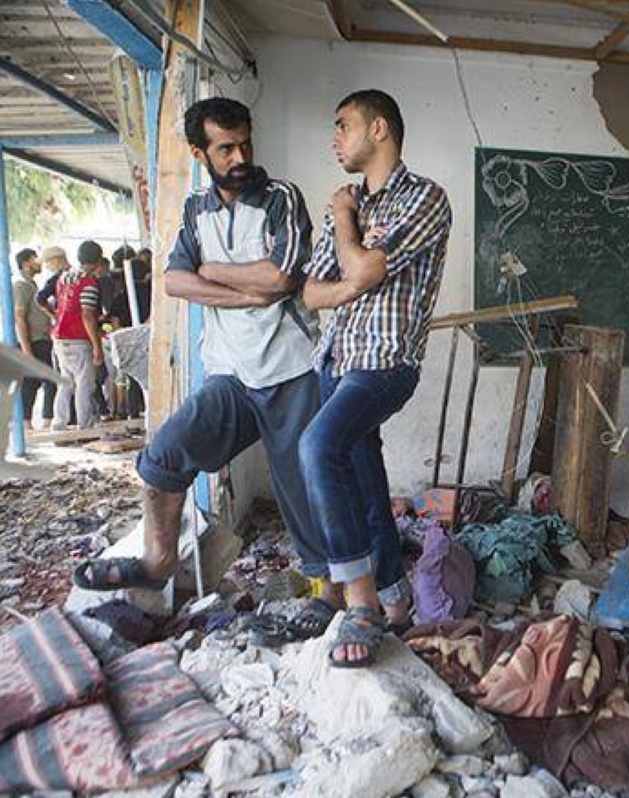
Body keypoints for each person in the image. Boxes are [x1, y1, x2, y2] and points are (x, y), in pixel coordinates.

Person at [71, 98, 332, 640]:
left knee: (302, 486)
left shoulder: (281, 197)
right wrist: (244, 292)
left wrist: (211, 270)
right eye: (225, 148)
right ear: (199, 153)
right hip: (229, 373)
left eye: (245, 144)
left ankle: (328, 592)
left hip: (290, 369)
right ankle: (158, 561)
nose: (240, 157)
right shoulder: (195, 211)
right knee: (163, 457)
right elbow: (173, 280)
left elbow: (281, 277)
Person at [300, 89, 451, 668]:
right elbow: (312, 292)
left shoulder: (424, 198)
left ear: (379, 129)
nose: (335, 138)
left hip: (385, 364)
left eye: (343, 125)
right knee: (363, 478)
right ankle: (393, 598)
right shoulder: (349, 202)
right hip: (335, 360)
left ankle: (357, 602)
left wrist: (345, 221)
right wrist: (352, 282)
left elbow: (365, 266)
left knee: (318, 445)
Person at [50, 241, 105, 430]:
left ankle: (59, 423)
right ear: (98, 260)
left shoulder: (64, 278)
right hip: (78, 338)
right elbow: (87, 315)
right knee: (84, 383)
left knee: (65, 382)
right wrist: (97, 345)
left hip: (60, 337)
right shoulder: (89, 282)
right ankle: (85, 424)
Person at [11, 248, 56, 426]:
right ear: (26, 263)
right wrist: (26, 349)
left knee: (35, 382)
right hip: (33, 341)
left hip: (40, 339)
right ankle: (40, 421)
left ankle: (30, 421)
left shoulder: (32, 285)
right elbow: (19, 316)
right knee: (45, 380)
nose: (40, 262)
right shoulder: (21, 285)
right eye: (35, 258)